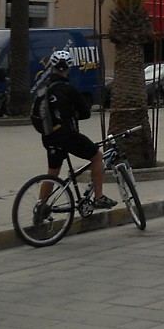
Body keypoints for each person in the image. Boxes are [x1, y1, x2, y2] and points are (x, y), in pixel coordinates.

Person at [38, 50, 118, 211]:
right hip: (68, 136)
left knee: (52, 172)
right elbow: (86, 113)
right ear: (69, 68)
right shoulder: (68, 89)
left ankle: (41, 207)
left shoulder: (43, 88)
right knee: (97, 156)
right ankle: (99, 197)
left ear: (52, 67)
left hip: (48, 137)